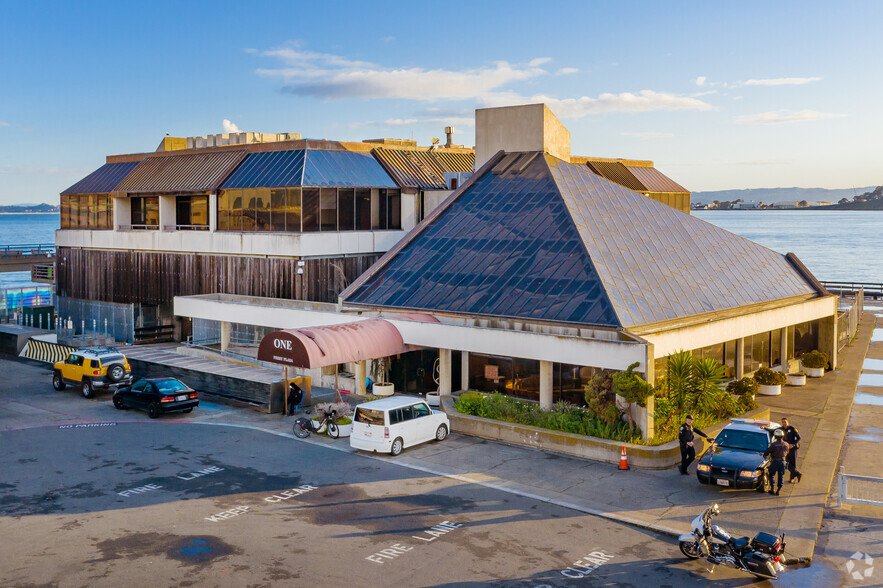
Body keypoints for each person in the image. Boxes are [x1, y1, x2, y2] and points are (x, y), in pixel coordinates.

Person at [763, 429, 790, 495]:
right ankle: (778, 490)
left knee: (771, 475)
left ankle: (772, 489)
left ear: (775, 436)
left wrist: (765, 455)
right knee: (781, 476)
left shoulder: (774, 445)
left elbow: (767, 452)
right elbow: (787, 452)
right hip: (783, 462)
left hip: (775, 461)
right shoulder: (786, 444)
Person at [781, 418, 802, 483]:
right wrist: (764, 427)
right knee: (786, 463)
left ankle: (792, 478)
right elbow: (773, 430)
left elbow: (799, 438)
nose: (784, 423)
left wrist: (793, 444)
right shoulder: (781, 429)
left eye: (785, 422)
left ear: (788, 422)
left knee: (793, 463)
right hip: (786, 449)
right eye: (783, 422)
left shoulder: (792, 429)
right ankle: (797, 473)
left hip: (793, 449)